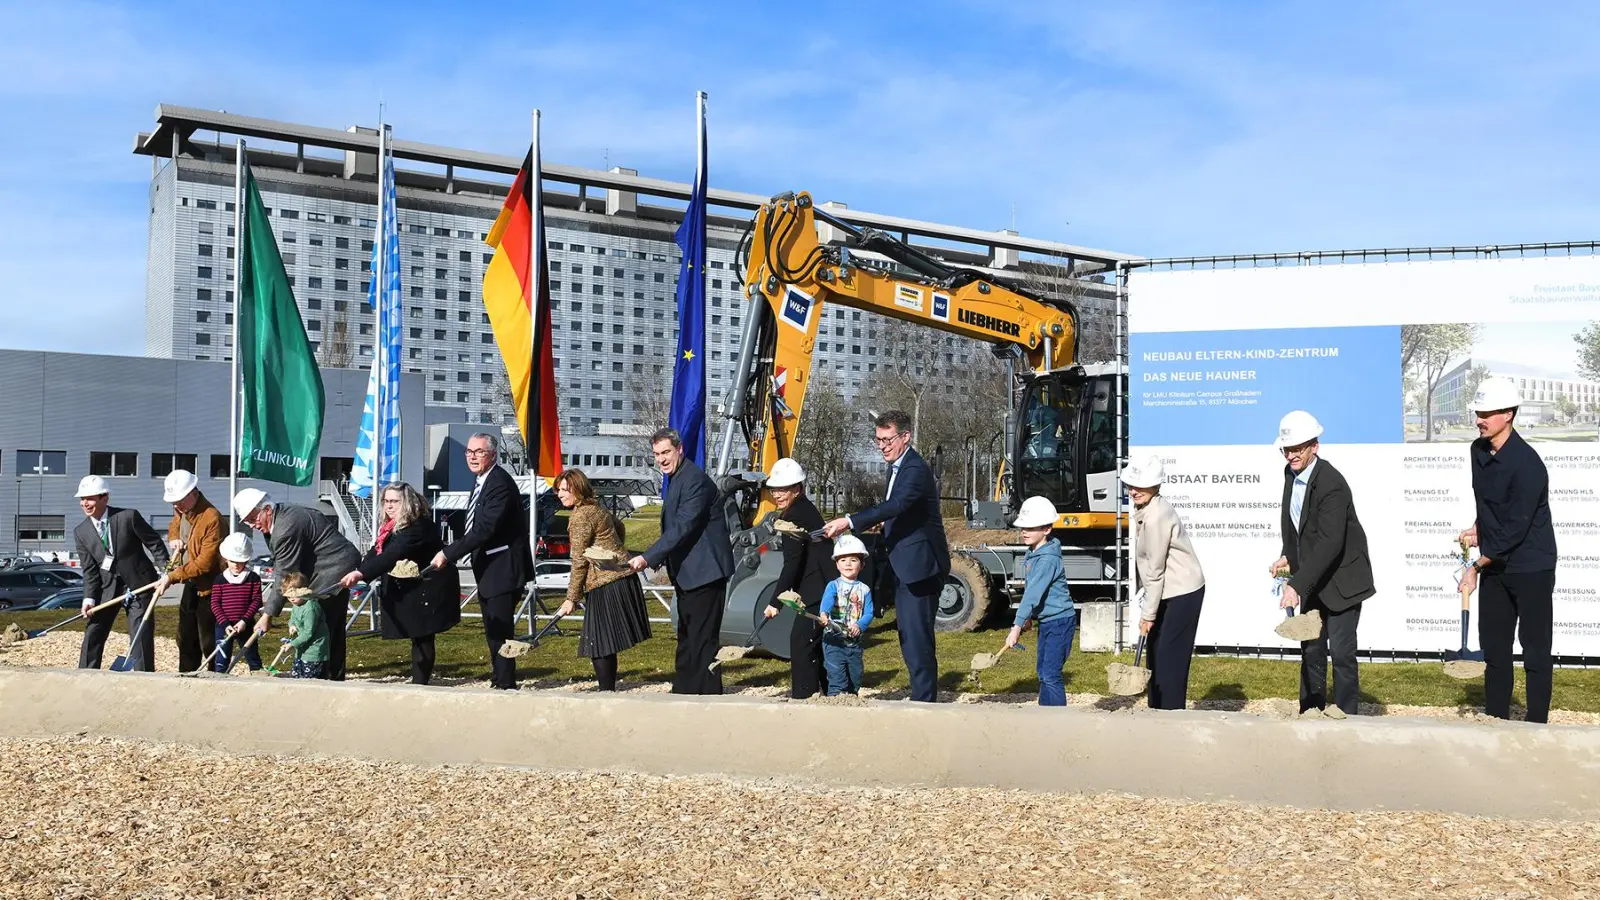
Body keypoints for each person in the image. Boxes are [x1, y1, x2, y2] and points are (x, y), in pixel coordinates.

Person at [823, 409, 950, 703]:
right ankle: (921, 696)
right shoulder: (896, 467)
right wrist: (885, 524)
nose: (882, 446)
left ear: (905, 436)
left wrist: (850, 521)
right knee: (908, 635)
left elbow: (897, 503)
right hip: (903, 563)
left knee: (917, 639)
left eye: (887, 439)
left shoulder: (915, 469)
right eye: (878, 440)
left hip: (921, 567)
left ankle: (924, 702)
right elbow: (901, 511)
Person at [1457, 377, 1558, 724]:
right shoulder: (1477, 451)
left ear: (1509, 414)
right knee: (1496, 650)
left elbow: (1516, 526)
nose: (1479, 419)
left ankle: (1537, 726)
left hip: (1531, 567)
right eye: (1478, 412)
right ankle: (1495, 721)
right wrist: (1477, 527)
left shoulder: (1529, 465)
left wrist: (1475, 566)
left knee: (1535, 652)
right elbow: (1488, 504)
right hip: (1497, 567)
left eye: (1486, 413)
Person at [1269, 410, 1375, 717]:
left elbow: (1330, 543)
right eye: (1286, 449)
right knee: (1311, 649)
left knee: (1342, 653)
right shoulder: (1292, 474)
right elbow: (1298, 526)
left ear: (1315, 445)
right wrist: (1289, 554)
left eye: (1297, 448)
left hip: (1343, 581)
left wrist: (1296, 585)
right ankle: (1311, 712)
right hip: (1315, 577)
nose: (1290, 455)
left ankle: (1347, 716)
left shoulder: (1332, 484)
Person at [628, 427, 735, 695]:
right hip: (690, 574)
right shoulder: (678, 478)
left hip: (705, 573)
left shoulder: (694, 480)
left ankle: (705, 696)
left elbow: (683, 526)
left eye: (666, 452)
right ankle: (685, 692)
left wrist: (647, 558)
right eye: (656, 454)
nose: (661, 459)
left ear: (680, 450)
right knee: (688, 639)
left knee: (702, 641)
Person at [430, 433, 531, 690]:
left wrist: (448, 553)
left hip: (503, 567)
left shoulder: (499, 483)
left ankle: (506, 682)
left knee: (500, 629)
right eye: (469, 452)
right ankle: (500, 678)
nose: (473, 456)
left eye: (479, 452)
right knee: (493, 629)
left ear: (493, 455)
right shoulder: (481, 480)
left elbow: (484, 529)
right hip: (488, 568)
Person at [340, 483, 461, 685]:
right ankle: (418, 680)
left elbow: (394, 553)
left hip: (429, 586)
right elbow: (377, 552)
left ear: (407, 502)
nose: (389, 506)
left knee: (423, 635)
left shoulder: (418, 526)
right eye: (386, 501)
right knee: (417, 635)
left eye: (395, 501)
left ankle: (420, 682)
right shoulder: (389, 527)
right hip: (410, 587)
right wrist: (360, 570)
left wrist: (361, 573)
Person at [234, 487, 361, 681]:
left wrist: (268, 615)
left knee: (324, 626)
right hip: (321, 568)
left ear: (267, 510)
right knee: (318, 624)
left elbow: (285, 573)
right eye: (248, 521)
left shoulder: (286, 527)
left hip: (334, 570)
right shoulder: (279, 519)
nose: (252, 525)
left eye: (253, 519)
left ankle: (330, 678)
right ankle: (321, 674)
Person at [554, 469, 652, 691]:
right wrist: (615, 552)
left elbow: (579, 560)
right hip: (621, 577)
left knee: (598, 642)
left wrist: (571, 598)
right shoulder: (596, 508)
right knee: (604, 641)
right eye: (558, 490)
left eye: (563, 489)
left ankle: (606, 692)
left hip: (606, 582)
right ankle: (607, 689)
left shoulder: (580, 516)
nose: (559, 494)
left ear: (577, 489)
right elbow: (620, 528)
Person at [1123, 456, 1205, 710]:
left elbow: (1155, 570)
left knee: (1170, 659)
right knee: (1155, 655)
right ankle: (1155, 714)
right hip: (1165, 591)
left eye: (1140, 485)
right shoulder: (1146, 509)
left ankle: (1171, 718)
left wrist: (1148, 615)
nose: (1133, 490)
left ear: (1156, 485)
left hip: (1182, 592)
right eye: (1130, 485)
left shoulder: (1157, 515)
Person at [71, 475, 169, 671]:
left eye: (89, 498)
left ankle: (144, 678)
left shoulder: (128, 517)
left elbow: (154, 543)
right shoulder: (81, 532)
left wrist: (167, 571)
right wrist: (88, 599)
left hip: (140, 584)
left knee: (140, 633)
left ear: (104, 498)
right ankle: (85, 674)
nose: (84, 503)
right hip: (107, 589)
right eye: (82, 499)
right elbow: (90, 570)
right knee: (93, 631)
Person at [760, 458, 832, 699]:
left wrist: (775, 602)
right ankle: (833, 693)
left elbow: (792, 563)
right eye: (774, 489)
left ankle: (804, 696)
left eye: (783, 489)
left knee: (801, 643)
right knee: (817, 645)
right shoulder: (802, 508)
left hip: (817, 588)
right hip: (820, 584)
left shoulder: (794, 517)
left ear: (797, 489)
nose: (777, 494)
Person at [1004, 496, 1077, 707]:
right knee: (1043, 672)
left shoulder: (1047, 559)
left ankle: (1057, 721)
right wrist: (1028, 618)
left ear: (1047, 529)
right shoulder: (1034, 552)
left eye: (1031, 527)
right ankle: (1044, 715)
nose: (1024, 532)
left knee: (1050, 673)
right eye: (1023, 527)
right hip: (1047, 621)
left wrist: (1016, 627)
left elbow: (1032, 594)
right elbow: (1037, 594)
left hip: (1060, 623)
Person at [152, 469, 225, 673]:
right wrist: (174, 536)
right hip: (191, 583)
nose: (176, 506)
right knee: (185, 638)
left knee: (209, 641)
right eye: (173, 502)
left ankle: (215, 677)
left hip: (211, 588)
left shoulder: (212, 518)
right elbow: (175, 523)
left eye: (179, 501)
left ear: (193, 492)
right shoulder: (182, 508)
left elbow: (204, 563)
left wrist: (172, 577)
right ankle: (185, 676)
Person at [819, 535, 874, 696]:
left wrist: (859, 625)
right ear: (837, 564)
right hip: (833, 640)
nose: (848, 563)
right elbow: (827, 602)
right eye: (843, 560)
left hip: (854, 643)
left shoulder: (865, 589)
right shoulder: (833, 585)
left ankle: (852, 701)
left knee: (855, 677)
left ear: (862, 564)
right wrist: (824, 614)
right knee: (837, 677)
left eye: (853, 560)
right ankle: (835, 703)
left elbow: (869, 612)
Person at [211, 532, 264, 672]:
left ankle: (258, 680)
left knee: (253, 658)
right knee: (221, 660)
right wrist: (225, 623)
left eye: (240, 561)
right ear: (226, 559)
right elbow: (215, 603)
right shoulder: (220, 580)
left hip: (245, 626)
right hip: (224, 627)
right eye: (233, 560)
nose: (236, 565)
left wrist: (244, 621)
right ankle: (219, 684)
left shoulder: (253, 578)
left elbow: (257, 600)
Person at [281, 572, 330, 679]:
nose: (291, 599)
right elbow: (293, 618)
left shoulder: (310, 608)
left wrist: (292, 644)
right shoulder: (296, 604)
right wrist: (292, 625)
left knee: (310, 679)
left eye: (294, 596)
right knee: (296, 676)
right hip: (301, 648)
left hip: (314, 650)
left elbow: (308, 632)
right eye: (289, 597)